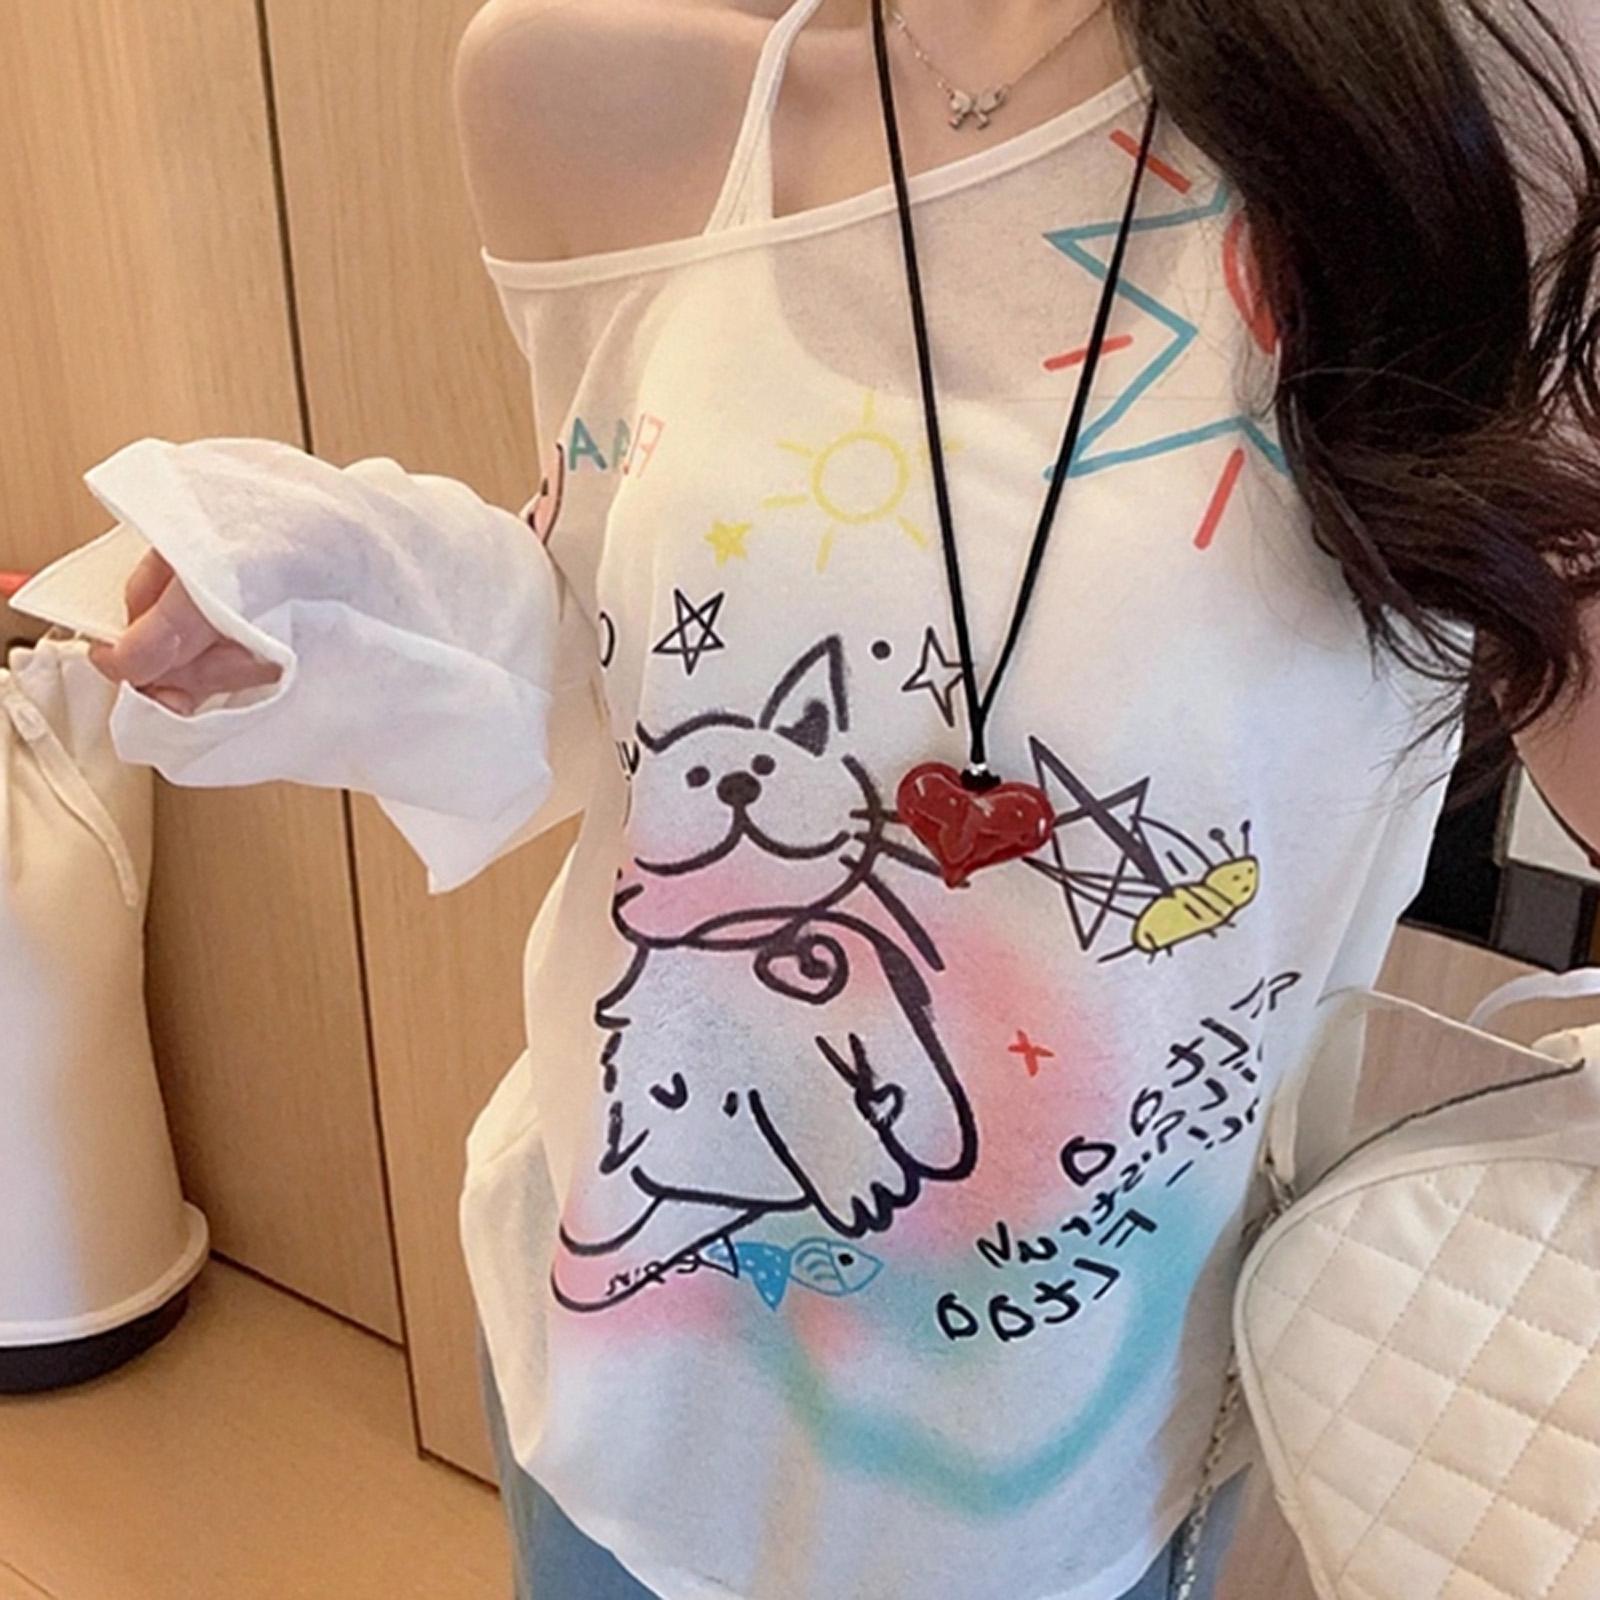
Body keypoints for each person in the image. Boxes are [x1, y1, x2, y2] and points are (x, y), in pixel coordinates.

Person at [54, 2, 1600, 1597]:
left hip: (1077, 1447)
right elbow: (612, 663)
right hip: (636, 1382)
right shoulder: (594, 89)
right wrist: (338, 586)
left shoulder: (1459, 108)